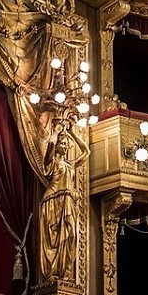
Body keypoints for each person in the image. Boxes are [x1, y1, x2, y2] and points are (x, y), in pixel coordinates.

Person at [38, 120, 89, 282]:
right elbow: (49, 150)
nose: (66, 146)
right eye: (64, 143)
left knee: (71, 234)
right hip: (52, 200)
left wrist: (73, 132)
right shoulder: (52, 163)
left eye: (67, 144)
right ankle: (52, 271)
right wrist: (56, 130)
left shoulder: (70, 164)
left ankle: (65, 270)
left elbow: (86, 152)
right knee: (52, 238)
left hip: (68, 201)